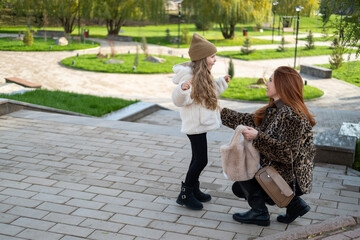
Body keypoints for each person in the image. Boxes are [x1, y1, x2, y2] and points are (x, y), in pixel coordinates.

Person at [221, 66, 316, 226]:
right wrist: (220, 111)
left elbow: (288, 155)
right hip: (281, 172)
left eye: (270, 80)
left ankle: (260, 213)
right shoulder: (276, 109)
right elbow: (248, 120)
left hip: (291, 178)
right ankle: (295, 205)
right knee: (240, 187)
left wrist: (258, 137)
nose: (266, 83)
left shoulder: (292, 116)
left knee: (242, 166)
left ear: (282, 85)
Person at [172, 33, 230, 210]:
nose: (215, 60)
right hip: (194, 125)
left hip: (200, 124)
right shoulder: (189, 77)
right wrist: (182, 89)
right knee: (201, 160)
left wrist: (220, 82)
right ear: (203, 58)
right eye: (212, 57)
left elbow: (207, 95)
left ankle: (193, 189)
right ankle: (185, 194)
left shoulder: (203, 74)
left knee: (196, 158)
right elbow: (179, 100)